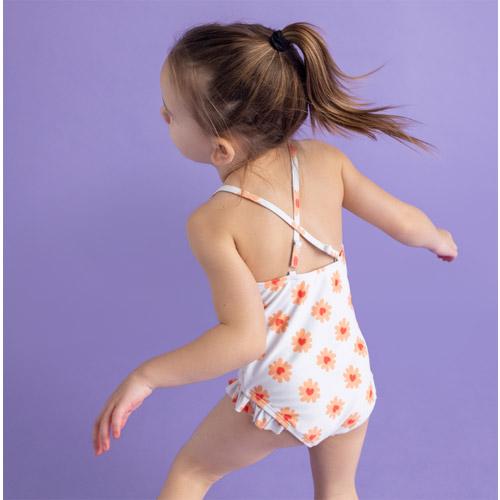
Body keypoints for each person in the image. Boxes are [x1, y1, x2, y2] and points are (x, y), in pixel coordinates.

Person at [92, 22, 458, 499]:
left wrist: (147, 375)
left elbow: (243, 340)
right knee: (338, 488)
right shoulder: (326, 161)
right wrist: (438, 238)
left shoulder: (214, 221)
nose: (164, 116)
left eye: (172, 113)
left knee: (192, 471)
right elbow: (405, 222)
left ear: (220, 148)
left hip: (287, 394)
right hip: (348, 379)